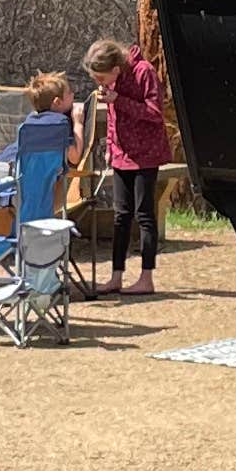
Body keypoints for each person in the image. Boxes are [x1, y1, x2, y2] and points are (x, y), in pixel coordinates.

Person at [82, 37, 170, 293]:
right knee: (121, 216)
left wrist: (118, 99)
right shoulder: (112, 83)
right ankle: (116, 276)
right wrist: (110, 147)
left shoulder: (144, 72)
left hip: (146, 153)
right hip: (121, 153)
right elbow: (112, 118)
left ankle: (146, 278)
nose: (99, 83)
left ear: (116, 69)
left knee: (144, 215)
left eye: (101, 77)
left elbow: (155, 113)